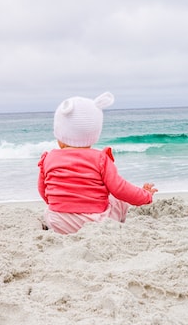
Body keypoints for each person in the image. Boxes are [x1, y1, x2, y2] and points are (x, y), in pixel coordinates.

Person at [38, 92, 158, 234]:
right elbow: (120, 189)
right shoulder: (100, 159)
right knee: (119, 202)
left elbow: (43, 190)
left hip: (59, 221)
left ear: (59, 135)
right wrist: (145, 196)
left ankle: (54, 225)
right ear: (94, 134)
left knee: (48, 211)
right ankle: (117, 225)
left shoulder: (48, 158)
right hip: (95, 222)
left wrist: (61, 204)